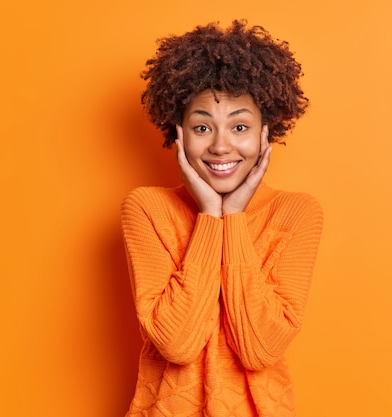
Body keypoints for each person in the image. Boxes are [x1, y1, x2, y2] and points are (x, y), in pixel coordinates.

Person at [121, 20, 323, 417]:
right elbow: (178, 343)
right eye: (202, 127)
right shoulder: (146, 208)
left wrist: (233, 218)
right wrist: (211, 216)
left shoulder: (297, 213)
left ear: (266, 132)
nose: (220, 145)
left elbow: (259, 348)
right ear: (178, 133)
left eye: (240, 126)